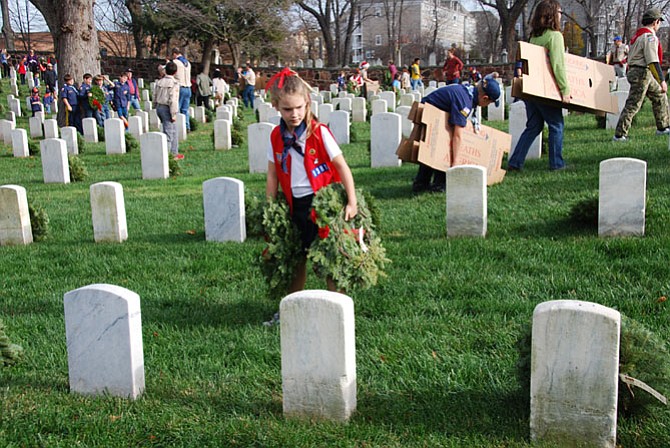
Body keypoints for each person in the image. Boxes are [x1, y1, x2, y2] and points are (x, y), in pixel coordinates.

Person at [265, 67, 358, 297]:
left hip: (321, 203)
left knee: (330, 257)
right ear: (277, 106)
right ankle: (291, 306)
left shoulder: (319, 132)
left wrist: (352, 201)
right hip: (294, 205)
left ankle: (337, 306)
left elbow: (342, 167)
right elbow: (272, 174)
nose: (294, 114)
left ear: (307, 103)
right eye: (287, 109)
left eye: (298, 108)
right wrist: (271, 207)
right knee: (296, 258)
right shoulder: (276, 137)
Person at [507, 0, 571, 172]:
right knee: (556, 125)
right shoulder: (555, 36)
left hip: (530, 89)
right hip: (544, 90)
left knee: (534, 126)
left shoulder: (534, 37)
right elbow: (557, 65)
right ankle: (557, 164)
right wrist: (565, 90)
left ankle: (515, 162)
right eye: (559, 12)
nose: (560, 15)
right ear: (552, 14)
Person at [412, 73, 501, 193]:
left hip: (431, 113)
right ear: (485, 98)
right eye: (489, 103)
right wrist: (456, 164)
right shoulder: (464, 102)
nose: (486, 106)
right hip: (429, 115)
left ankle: (422, 183)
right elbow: (458, 135)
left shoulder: (468, 92)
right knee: (443, 147)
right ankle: (438, 184)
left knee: (435, 148)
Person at [613, 8, 670, 141]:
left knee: (659, 96)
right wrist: (661, 80)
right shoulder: (649, 37)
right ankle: (619, 134)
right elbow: (652, 60)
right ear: (656, 22)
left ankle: (663, 127)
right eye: (659, 22)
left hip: (639, 71)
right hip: (642, 72)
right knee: (634, 104)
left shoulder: (637, 36)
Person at [153, 61, 182, 160]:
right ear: (175, 72)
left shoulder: (159, 82)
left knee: (173, 130)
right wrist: (173, 114)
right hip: (167, 108)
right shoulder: (174, 83)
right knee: (169, 133)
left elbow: (155, 95)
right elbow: (173, 100)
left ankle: (174, 153)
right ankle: (167, 157)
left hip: (159, 107)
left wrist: (154, 105)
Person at [171, 47, 192, 130]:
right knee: (185, 109)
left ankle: (178, 127)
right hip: (188, 87)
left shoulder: (175, 62)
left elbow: (171, 73)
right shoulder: (188, 62)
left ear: (174, 54)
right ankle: (187, 126)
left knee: (177, 108)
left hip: (180, 86)